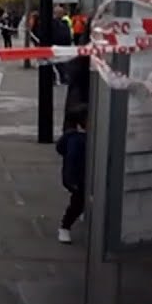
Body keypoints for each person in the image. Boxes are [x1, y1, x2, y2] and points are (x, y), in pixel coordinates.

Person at [55, 104, 88, 244]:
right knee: (77, 203)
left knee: (83, 201)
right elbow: (70, 162)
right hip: (79, 179)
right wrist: (70, 181)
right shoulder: (76, 140)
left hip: (89, 175)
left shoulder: (89, 137)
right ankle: (65, 227)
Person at [51, 5, 73, 85]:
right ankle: (56, 78)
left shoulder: (65, 23)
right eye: (59, 12)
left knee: (62, 64)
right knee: (55, 64)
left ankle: (63, 78)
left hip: (63, 46)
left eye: (61, 13)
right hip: (56, 45)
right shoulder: (53, 23)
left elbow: (67, 34)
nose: (60, 14)